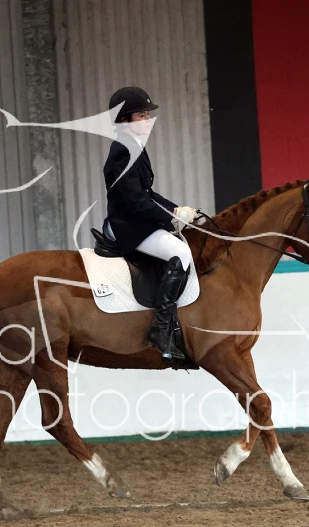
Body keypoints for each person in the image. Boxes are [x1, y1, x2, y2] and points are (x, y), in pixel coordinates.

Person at [102, 86, 199, 362]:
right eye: (142, 115)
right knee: (181, 253)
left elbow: (148, 193)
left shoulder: (135, 146)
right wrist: (169, 218)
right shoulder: (122, 150)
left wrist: (176, 209)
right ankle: (160, 327)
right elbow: (134, 201)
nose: (147, 120)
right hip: (127, 225)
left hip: (138, 220)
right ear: (124, 119)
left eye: (147, 114)